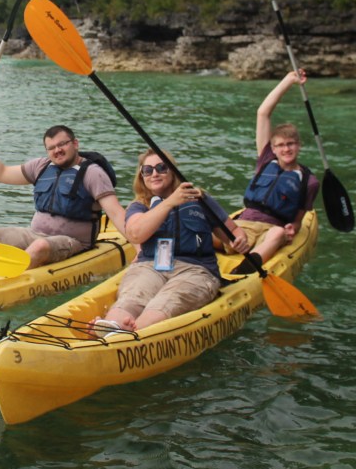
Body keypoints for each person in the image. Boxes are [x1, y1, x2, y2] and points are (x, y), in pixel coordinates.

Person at [90, 149, 250, 336]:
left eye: (161, 167)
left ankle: (132, 332)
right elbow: (135, 234)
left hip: (195, 270)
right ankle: (111, 325)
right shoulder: (139, 206)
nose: (154, 174)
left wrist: (240, 240)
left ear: (172, 171)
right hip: (150, 266)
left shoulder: (199, 199)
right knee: (132, 298)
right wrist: (169, 203)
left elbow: (233, 232)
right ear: (142, 176)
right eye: (148, 170)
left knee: (167, 301)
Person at [0, 125, 126, 285]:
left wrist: (140, 248)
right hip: (34, 234)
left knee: (40, 246)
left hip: (73, 242)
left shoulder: (93, 173)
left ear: (75, 144)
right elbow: (1, 172)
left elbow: (116, 213)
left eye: (62, 144)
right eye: (51, 147)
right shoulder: (42, 166)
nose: (57, 150)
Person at [216, 70, 320, 265]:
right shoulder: (266, 160)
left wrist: (293, 228)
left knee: (278, 233)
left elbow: (298, 220)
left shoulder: (309, 181)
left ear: (299, 146)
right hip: (242, 227)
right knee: (207, 223)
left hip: (271, 230)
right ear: (273, 148)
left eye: (290, 144)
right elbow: (263, 113)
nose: (286, 149)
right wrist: (289, 80)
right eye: (280, 145)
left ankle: (248, 268)